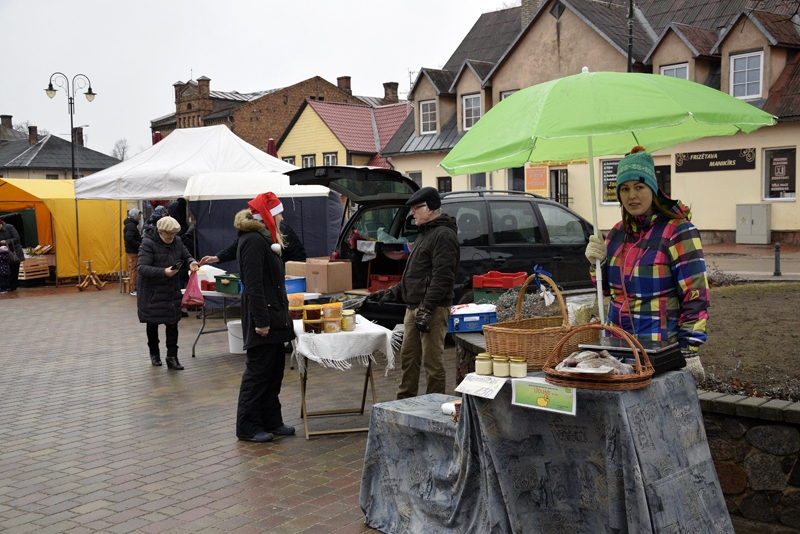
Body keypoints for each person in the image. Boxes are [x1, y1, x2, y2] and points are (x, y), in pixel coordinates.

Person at [585, 146, 709, 382]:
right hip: (618, 350)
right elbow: (606, 291)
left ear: (653, 188)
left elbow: (696, 296)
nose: (632, 195)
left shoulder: (679, 232)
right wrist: (595, 265)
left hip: (659, 351)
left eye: (639, 187)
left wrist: (689, 351)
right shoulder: (616, 234)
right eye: (625, 188)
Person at [367, 187, 460, 399]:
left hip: (433, 308)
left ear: (430, 209)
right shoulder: (426, 233)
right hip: (414, 307)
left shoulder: (443, 235)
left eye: (416, 208)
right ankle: (405, 404)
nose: (412, 213)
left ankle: (433, 405)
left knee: (432, 363)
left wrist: (427, 309)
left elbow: (443, 278)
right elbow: (415, 276)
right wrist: (390, 293)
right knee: (409, 359)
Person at [234, 192, 297, 442]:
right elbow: (253, 285)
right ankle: (247, 427)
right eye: (279, 213)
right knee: (258, 373)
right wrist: (261, 322)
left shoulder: (264, 238)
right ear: (269, 215)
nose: (282, 218)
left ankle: (272, 420)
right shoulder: (252, 240)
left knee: (274, 372)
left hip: (275, 315)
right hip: (264, 318)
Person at [136, 216, 199, 370]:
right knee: (153, 323)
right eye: (168, 234)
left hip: (171, 290)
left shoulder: (177, 241)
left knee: (172, 323)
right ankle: (154, 353)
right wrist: (164, 272)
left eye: (173, 234)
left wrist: (191, 261)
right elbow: (142, 267)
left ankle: (172, 357)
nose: (171, 237)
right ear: (160, 231)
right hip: (152, 291)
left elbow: (186, 254)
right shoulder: (148, 243)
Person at [200, 219, 306, 266]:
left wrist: (295, 274)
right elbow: (236, 247)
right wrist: (217, 257)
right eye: (279, 214)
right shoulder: (251, 233)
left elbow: (298, 255)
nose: (282, 218)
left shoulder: (283, 230)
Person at [0, 218, 24, 292]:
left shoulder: (10, 227)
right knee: (6, 270)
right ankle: (7, 286)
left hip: (14, 252)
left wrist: (6, 241)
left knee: (14, 269)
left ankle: (12, 286)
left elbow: (17, 238)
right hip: (4, 254)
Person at [123, 208, 143, 296]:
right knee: (134, 269)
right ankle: (134, 288)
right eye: (139, 215)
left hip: (132, 250)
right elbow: (129, 238)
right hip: (133, 251)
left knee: (133, 269)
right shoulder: (131, 226)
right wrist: (138, 245)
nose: (140, 217)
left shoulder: (130, 225)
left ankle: (134, 287)